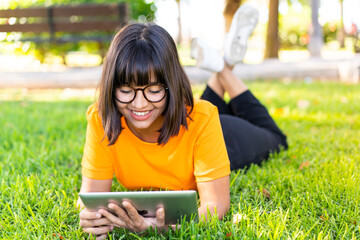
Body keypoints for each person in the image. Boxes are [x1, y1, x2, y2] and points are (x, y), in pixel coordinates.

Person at [77, 4, 287, 239]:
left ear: (171, 84)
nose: (139, 104)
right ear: (111, 87)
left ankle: (224, 69)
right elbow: (90, 199)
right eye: (126, 90)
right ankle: (221, 64)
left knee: (277, 139)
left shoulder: (203, 118)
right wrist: (91, 216)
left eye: (154, 89)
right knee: (183, 108)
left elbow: (215, 206)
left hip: (223, 138)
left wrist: (160, 228)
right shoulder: (101, 119)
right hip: (176, 115)